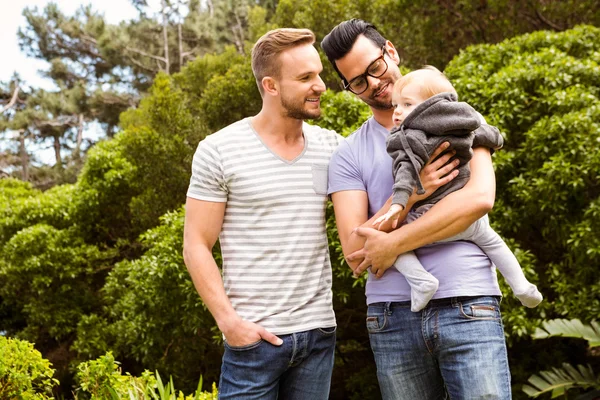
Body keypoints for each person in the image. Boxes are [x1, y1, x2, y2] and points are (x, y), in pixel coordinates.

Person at [322, 19, 513, 399]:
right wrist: (412, 195)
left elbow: (478, 200)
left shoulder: (459, 117)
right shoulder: (347, 155)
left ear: (390, 51)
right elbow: (356, 253)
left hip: (469, 303)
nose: (373, 83)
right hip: (392, 316)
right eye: (358, 81)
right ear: (349, 89)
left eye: (374, 68)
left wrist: (392, 242)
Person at [182, 28, 342, 399]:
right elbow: (196, 245)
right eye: (305, 78)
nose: (320, 86)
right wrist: (230, 325)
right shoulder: (219, 150)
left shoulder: (333, 147)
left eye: (318, 74)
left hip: (318, 336)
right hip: (253, 343)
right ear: (270, 85)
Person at [372, 66, 543, 312]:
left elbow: (405, 172)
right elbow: (489, 136)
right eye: (396, 104)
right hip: (469, 221)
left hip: (432, 219)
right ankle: (522, 286)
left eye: (407, 104)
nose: (397, 111)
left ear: (431, 106)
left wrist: (399, 202)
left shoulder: (411, 137)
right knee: (494, 243)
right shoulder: (465, 122)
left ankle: (422, 282)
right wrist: (497, 140)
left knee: (389, 245)